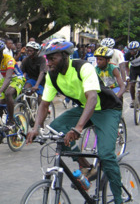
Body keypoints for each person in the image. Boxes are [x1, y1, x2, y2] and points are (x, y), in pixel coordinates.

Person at [26, 39, 123, 204]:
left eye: (52, 58)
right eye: (47, 59)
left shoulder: (83, 67)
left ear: (65, 56)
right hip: (84, 108)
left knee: (106, 155)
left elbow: (92, 98)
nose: (48, 62)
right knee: (55, 128)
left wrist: (78, 128)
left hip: (106, 109)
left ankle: (119, 199)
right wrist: (35, 128)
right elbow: (44, 103)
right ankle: (85, 166)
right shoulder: (52, 75)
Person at [124, 41, 140, 108]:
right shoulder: (127, 55)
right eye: (130, 50)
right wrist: (127, 75)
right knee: (132, 84)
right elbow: (126, 66)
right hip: (133, 68)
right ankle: (133, 100)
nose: (132, 52)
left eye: (134, 50)